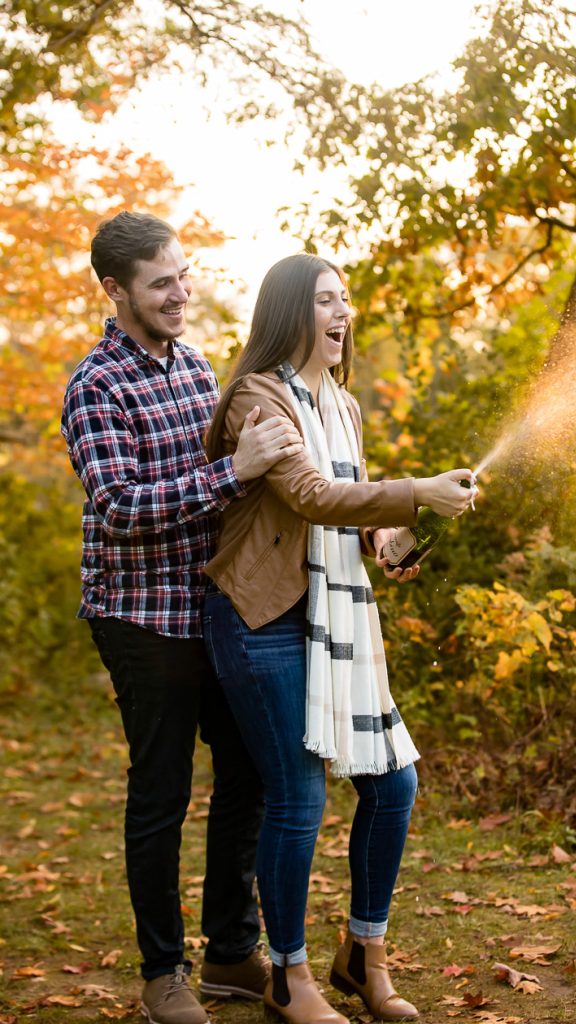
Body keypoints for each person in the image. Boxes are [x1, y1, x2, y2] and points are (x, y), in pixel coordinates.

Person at [201, 253, 477, 1024]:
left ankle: (362, 954)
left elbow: (342, 513)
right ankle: (287, 979)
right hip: (261, 616)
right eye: (326, 300)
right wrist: (414, 493)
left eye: (346, 299)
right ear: (291, 312)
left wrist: (387, 537)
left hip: (337, 614)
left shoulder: (342, 404)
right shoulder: (256, 396)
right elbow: (312, 494)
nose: (342, 312)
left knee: (394, 783)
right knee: (298, 796)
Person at [61, 212, 304, 1024]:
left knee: (248, 776)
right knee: (161, 794)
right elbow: (122, 508)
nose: (181, 293)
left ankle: (233, 953)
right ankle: (163, 971)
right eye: (161, 282)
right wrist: (235, 470)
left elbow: (248, 484)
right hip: (138, 617)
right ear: (115, 290)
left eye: (183, 275)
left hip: (215, 608)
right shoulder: (97, 384)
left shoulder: (198, 367)